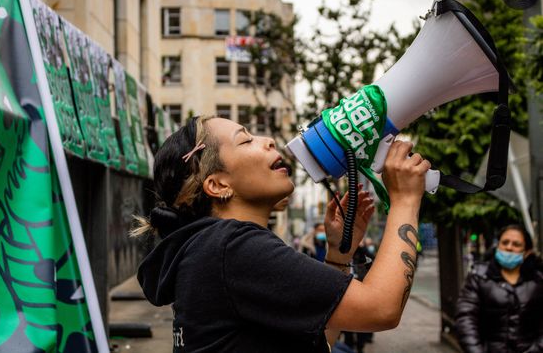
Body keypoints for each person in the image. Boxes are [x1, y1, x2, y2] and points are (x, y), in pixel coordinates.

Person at [134, 116, 430, 352]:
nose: (268, 141)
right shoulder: (233, 248)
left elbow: (319, 341)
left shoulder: (212, 249)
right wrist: (405, 200)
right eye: (246, 139)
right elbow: (381, 309)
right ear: (218, 185)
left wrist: (338, 256)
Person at [455, 225, 543, 353]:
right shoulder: (479, 277)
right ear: (497, 246)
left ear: (527, 252)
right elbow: (466, 318)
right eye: (505, 242)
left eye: (516, 244)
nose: (509, 247)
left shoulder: (538, 280)